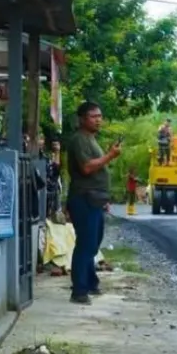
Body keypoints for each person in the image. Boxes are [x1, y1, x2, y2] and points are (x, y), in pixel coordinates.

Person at [65, 101, 121, 305]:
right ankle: (79, 290)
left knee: (92, 244)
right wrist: (110, 156)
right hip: (84, 198)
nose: (98, 120)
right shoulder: (79, 140)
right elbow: (87, 168)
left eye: (99, 116)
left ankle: (89, 282)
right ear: (82, 119)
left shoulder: (91, 139)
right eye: (93, 116)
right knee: (86, 244)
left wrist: (104, 199)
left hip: (94, 199)